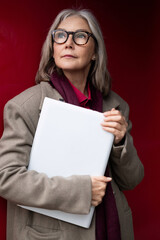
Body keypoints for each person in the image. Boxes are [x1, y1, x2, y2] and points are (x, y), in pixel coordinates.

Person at [0, 8, 144, 240]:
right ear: (53, 49)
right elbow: (6, 178)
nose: (68, 43)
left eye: (80, 36)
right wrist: (82, 191)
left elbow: (132, 180)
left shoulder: (116, 106)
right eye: (60, 36)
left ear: (95, 51)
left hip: (109, 230)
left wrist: (120, 141)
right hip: (52, 234)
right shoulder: (24, 106)